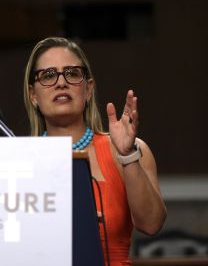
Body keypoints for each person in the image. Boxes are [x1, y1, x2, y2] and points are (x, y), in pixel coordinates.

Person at [23, 37, 166, 265]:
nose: (61, 83)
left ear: (88, 89)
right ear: (33, 95)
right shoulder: (18, 160)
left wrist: (128, 155)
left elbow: (151, 224)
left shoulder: (128, 151)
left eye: (71, 73)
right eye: (49, 75)